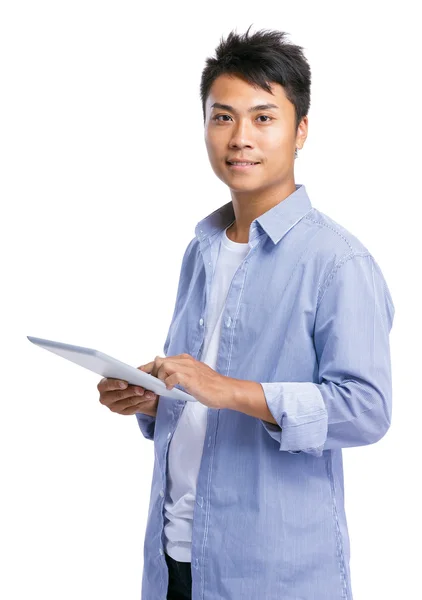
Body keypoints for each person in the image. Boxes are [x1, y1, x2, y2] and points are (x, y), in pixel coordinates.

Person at [97, 26, 395, 600]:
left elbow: (367, 409)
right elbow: (198, 395)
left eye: (263, 117)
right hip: (174, 562)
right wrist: (154, 398)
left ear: (300, 129)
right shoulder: (202, 249)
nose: (240, 138)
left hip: (272, 574)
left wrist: (230, 390)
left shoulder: (338, 261)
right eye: (222, 117)